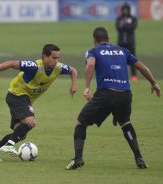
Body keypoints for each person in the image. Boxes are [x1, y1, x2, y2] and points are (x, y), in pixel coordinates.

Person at [65, 27, 161, 170]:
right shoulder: (123, 50)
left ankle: (78, 158)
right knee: (125, 123)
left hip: (106, 93)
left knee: (80, 122)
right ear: (108, 39)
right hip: (125, 94)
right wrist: (154, 83)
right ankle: (139, 158)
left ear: (94, 40)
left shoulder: (93, 50)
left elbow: (90, 64)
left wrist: (86, 87)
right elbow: (142, 68)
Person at [0, 44, 77, 161]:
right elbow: (10, 63)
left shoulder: (58, 68)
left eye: (58, 58)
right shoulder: (34, 67)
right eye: (53, 58)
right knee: (31, 122)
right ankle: (9, 145)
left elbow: (73, 70)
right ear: (44, 57)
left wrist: (73, 84)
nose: (56, 61)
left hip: (24, 99)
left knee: (20, 133)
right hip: (17, 95)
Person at [116, 3, 138, 81]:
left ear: (129, 10)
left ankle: (134, 76)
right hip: (121, 43)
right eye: (124, 9)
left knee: (132, 60)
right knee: (119, 60)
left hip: (130, 43)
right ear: (122, 10)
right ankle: (120, 75)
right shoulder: (119, 18)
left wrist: (125, 26)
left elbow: (133, 27)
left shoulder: (133, 18)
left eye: (127, 9)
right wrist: (126, 26)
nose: (125, 11)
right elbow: (118, 28)